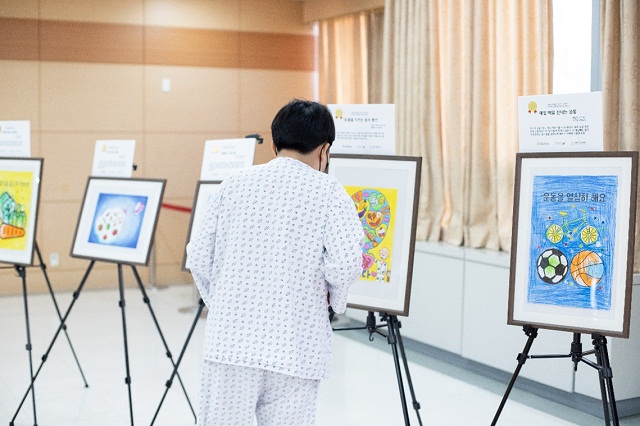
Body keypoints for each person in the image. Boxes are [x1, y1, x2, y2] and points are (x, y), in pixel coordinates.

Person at [187, 99, 364, 426]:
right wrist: (335, 300)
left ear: (274, 144)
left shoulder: (233, 184)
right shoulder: (329, 192)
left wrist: (222, 303)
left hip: (230, 345)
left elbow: (198, 255)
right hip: (296, 345)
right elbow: (346, 263)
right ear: (324, 150)